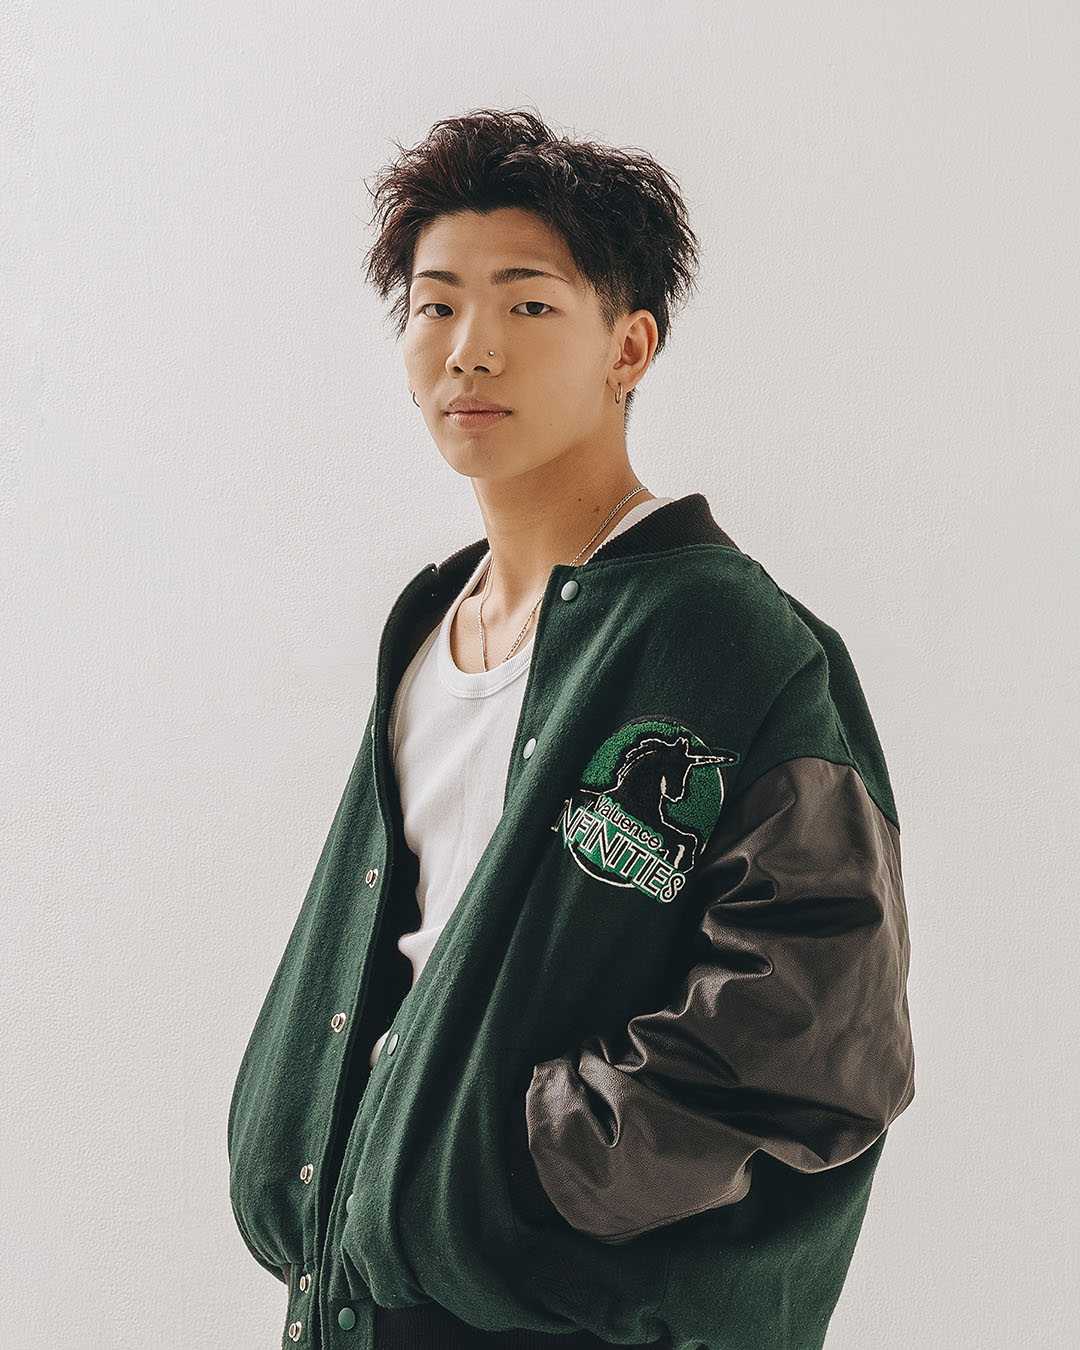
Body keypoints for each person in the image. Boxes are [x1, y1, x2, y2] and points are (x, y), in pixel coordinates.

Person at [228, 107, 916, 1350]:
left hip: (561, 1316)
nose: (470, 350)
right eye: (436, 306)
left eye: (528, 304)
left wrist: (515, 1179)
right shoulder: (429, 624)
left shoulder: (727, 639)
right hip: (351, 1306)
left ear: (629, 345)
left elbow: (815, 1023)